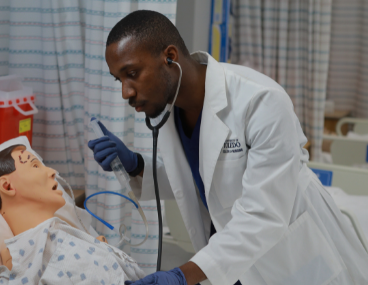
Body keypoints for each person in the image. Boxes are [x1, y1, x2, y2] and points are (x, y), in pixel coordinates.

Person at [88, 10, 368, 285]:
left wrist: (181, 275)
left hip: (296, 260)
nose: (126, 92)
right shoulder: (172, 110)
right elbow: (203, 177)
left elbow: (263, 215)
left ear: (169, 57)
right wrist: (137, 165)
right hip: (233, 263)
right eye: (119, 79)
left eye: (132, 73)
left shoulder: (261, 101)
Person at [0, 144, 146, 284]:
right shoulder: (22, 254)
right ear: (7, 187)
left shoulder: (60, 235)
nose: (52, 172)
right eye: (35, 165)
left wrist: (97, 250)